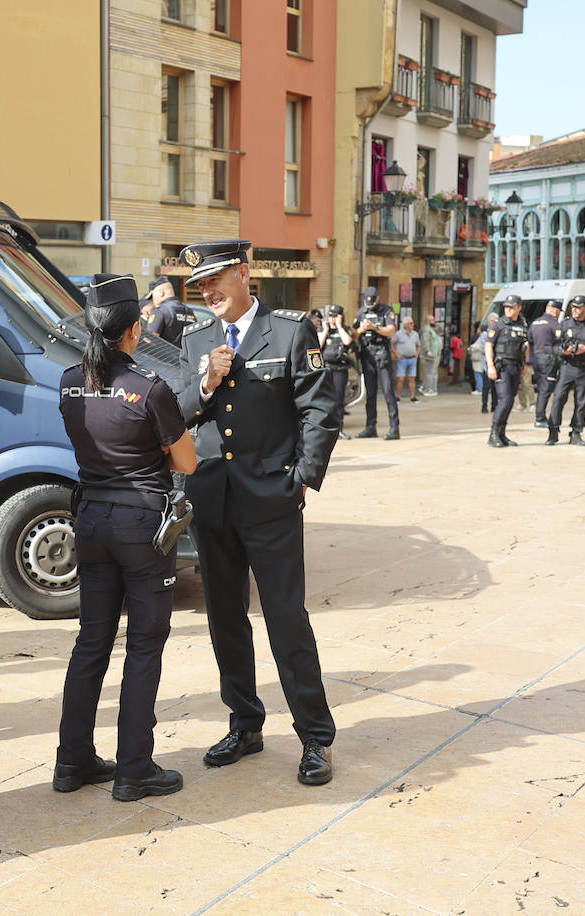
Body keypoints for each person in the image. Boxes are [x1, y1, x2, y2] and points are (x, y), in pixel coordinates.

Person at [173, 239, 341, 786]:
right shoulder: (195, 338)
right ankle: (245, 722)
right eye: (200, 285)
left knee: (286, 619)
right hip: (213, 500)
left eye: (217, 279)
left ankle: (315, 736)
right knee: (225, 618)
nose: (208, 292)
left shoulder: (291, 331)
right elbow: (176, 412)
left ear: (244, 274)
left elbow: (320, 408)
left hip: (270, 500)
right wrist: (205, 382)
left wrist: (301, 479)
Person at [55, 274, 197, 801]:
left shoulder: (70, 380)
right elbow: (187, 460)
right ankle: (134, 768)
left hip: (89, 519)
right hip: (140, 528)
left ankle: (72, 762)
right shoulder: (149, 388)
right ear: (135, 329)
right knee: (143, 645)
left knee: (91, 642)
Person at [546, 295, 585, 446]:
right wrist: (563, 351)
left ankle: (576, 432)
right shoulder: (565, 324)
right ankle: (553, 431)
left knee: (582, 402)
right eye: (573, 307)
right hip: (567, 366)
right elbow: (554, 345)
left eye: (578, 307)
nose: (575, 310)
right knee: (558, 398)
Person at [353, 287, 399, 439]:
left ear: (378, 298)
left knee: (388, 391)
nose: (370, 306)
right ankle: (370, 426)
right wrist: (360, 329)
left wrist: (375, 327)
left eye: (372, 303)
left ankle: (394, 428)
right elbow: (353, 334)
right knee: (370, 393)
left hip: (381, 354)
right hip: (367, 355)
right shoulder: (361, 312)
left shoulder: (387, 310)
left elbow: (392, 331)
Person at [484, 294, 528, 447]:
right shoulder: (498, 324)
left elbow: (525, 345)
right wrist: (490, 366)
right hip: (501, 367)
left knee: (510, 401)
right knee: (505, 399)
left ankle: (502, 434)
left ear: (519, 308)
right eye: (506, 307)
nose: (508, 309)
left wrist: (525, 364)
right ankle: (493, 434)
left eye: (512, 307)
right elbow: (488, 345)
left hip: (516, 367)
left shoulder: (523, 325)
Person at [320, 305, 353, 439]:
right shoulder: (323, 330)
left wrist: (339, 326)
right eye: (331, 316)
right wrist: (326, 329)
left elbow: (347, 341)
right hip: (326, 368)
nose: (333, 318)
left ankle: (339, 429)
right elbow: (318, 344)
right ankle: (324, 429)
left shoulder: (344, 330)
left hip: (339, 369)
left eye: (335, 316)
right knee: (324, 400)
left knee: (338, 400)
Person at [528, 300, 561, 428]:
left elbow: (530, 339)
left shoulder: (535, 322)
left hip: (537, 358)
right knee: (545, 390)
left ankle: (540, 416)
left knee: (542, 388)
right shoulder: (554, 323)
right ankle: (540, 418)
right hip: (549, 360)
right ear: (555, 310)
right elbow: (560, 340)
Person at [143, 276, 195, 347]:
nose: (152, 300)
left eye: (152, 296)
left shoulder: (160, 311)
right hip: (185, 357)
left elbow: (150, 341)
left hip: (164, 357)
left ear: (161, 292)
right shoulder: (189, 311)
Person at [393, 316, 420, 402]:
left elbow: (419, 345)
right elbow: (392, 344)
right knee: (401, 379)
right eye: (410, 323)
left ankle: (413, 396)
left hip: (412, 359)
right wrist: (396, 354)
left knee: (412, 378)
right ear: (405, 325)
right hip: (402, 359)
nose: (412, 325)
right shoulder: (398, 334)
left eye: (412, 323)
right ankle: (398, 397)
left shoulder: (415, 334)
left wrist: (417, 354)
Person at [418, 313, 442, 396]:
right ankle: (428, 389)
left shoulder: (431, 329)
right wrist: (428, 351)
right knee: (430, 372)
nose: (434, 321)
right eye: (432, 320)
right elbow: (425, 341)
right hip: (429, 355)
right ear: (428, 321)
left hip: (434, 354)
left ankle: (430, 388)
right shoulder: (426, 329)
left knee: (433, 372)